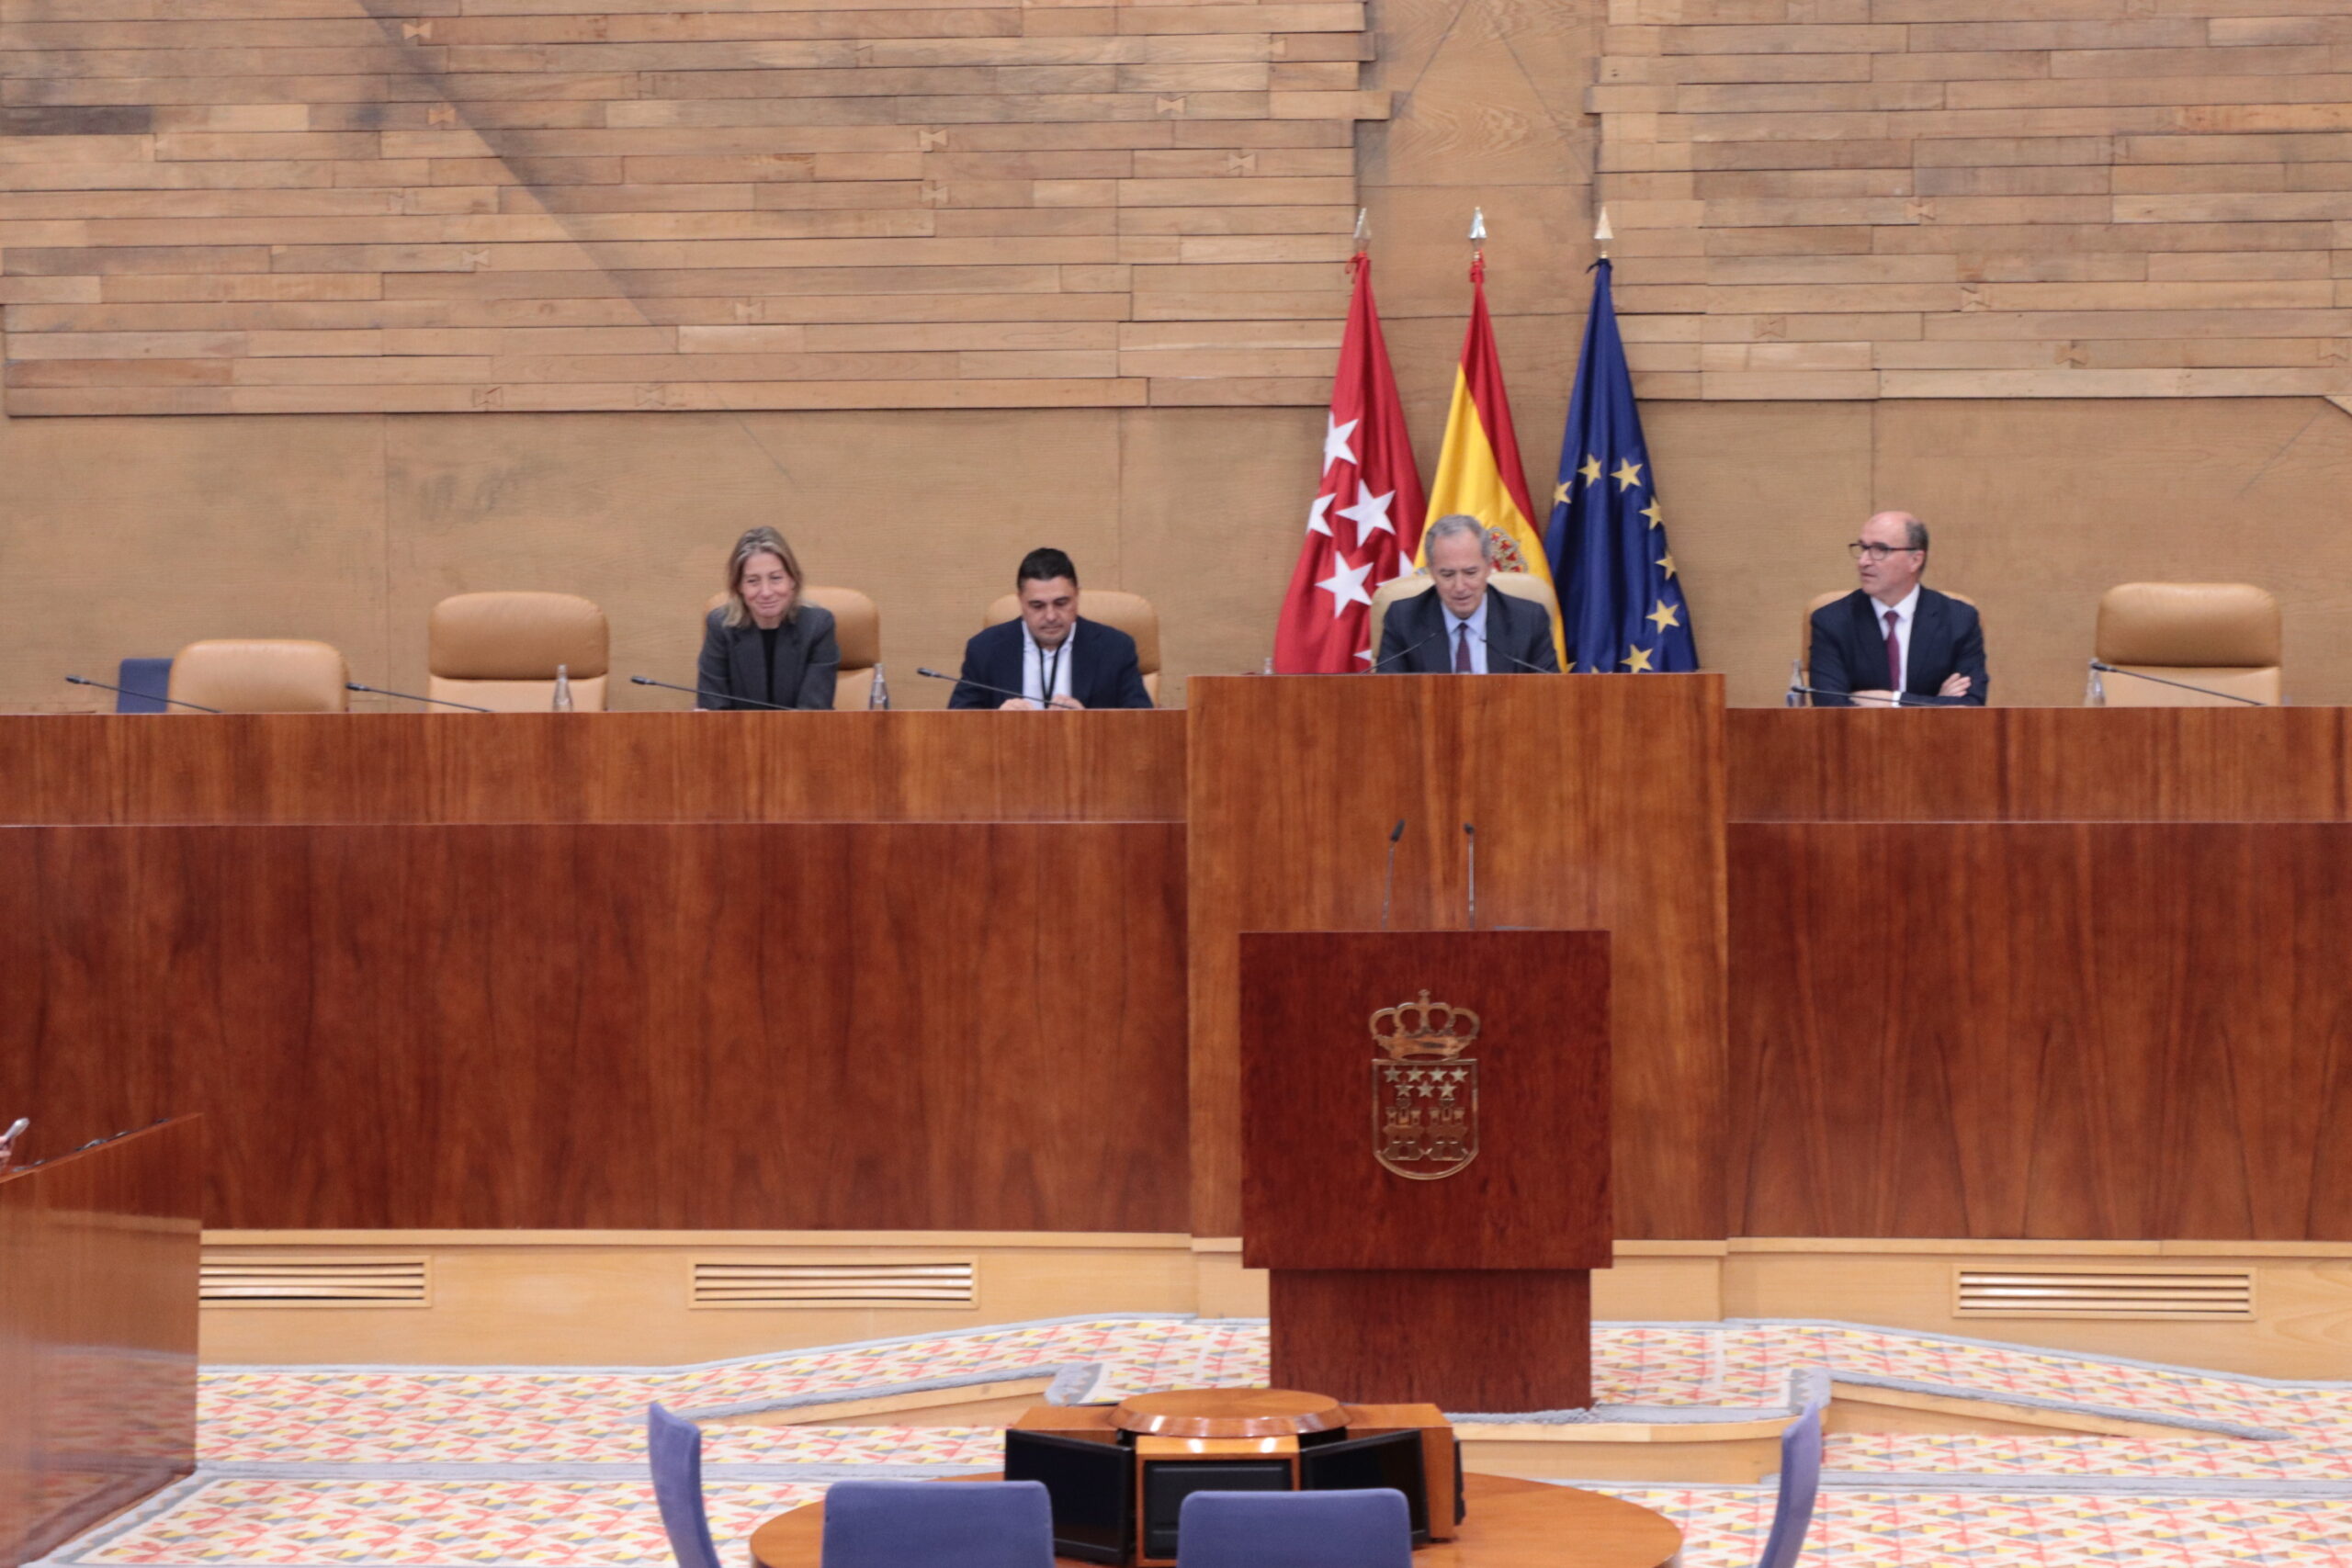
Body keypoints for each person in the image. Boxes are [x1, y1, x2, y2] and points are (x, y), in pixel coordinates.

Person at [1807, 511, 1986, 707]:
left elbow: (1970, 707)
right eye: (1863, 548)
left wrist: (1892, 701)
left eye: (1879, 549)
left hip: (1935, 738)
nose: (1863, 561)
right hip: (1860, 738)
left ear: (1915, 560)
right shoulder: (1832, 621)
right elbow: (1831, 709)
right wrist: (1936, 704)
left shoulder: (1958, 619)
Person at [949, 547, 1153, 710]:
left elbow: (1141, 725)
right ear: (1021, 601)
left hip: (1089, 758)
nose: (1051, 616)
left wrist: (1089, 725)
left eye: (1061, 603)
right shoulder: (985, 649)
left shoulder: (1115, 648)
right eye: (1037, 606)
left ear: (1077, 596)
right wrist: (998, 725)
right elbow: (958, 725)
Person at [1373, 514, 1561, 674]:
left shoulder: (1528, 619)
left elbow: (1550, 698)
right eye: (1447, 574)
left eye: (1470, 573)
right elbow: (1389, 699)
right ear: (1431, 571)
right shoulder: (1403, 619)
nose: (1460, 586)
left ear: (1489, 567)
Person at [696, 526, 839, 710]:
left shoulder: (817, 627)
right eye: (753, 581)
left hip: (804, 736)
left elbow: (813, 711)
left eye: (776, 578)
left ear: (793, 580)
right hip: (738, 738)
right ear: (739, 586)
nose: (766, 592)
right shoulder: (721, 627)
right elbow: (714, 710)